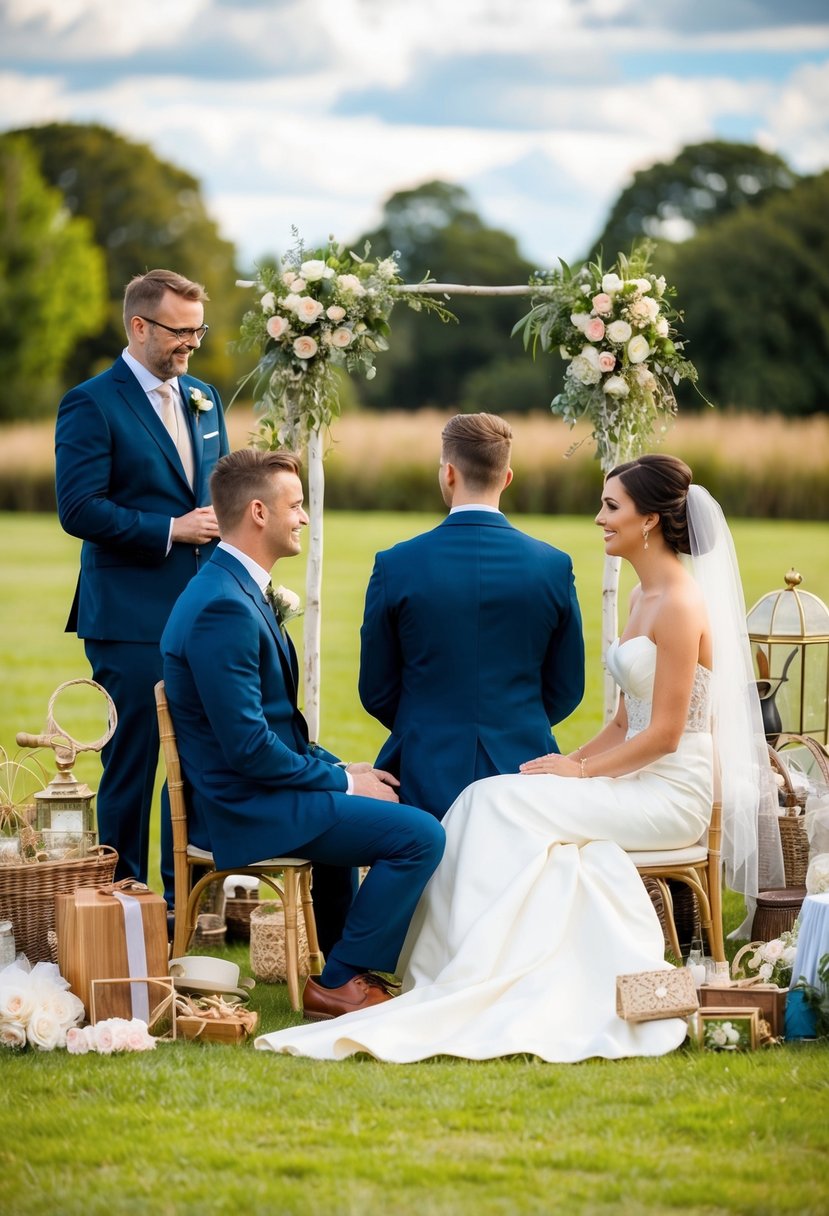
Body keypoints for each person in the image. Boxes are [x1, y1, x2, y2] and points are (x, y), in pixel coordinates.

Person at [257, 454, 784, 1061]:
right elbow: (621, 720)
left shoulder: (683, 604)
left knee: (503, 807)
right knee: (490, 796)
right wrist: (568, 762)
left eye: (612, 507)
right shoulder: (644, 595)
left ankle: (475, 967)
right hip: (630, 776)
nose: (598, 518)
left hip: (669, 792)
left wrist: (580, 772)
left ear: (651, 520)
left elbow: (665, 735)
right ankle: (461, 961)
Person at [160, 449, 445, 1019]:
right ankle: (340, 982)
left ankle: (345, 967)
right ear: (259, 512)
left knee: (379, 802)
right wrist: (339, 782)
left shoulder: (231, 588)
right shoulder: (223, 608)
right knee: (421, 837)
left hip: (260, 790)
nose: (305, 518)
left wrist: (345, 771)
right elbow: (248, 749)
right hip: (245, 809)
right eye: (296, 506)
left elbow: (275, 727)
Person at [55, 269, 230, 889]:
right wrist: (171, 529)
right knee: (133, 764)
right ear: (138, 325)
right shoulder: (91, 402)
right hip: (129, 618)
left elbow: (217, 496)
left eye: (197, 330)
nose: (191, 343)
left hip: (205, 612)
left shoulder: (205, 396)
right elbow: (78, 508)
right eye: (179, 332)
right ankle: (124, 900)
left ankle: (188, 903)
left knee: (204, 760)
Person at [359, 412, 585, 819]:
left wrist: (426, 717)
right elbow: (567, 685)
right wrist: (513, 717)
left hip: (422, 769)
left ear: (448, 473)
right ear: (507, 477)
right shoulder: (553, 565)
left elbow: (376, 687)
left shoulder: (396, 564)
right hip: (524, 767)